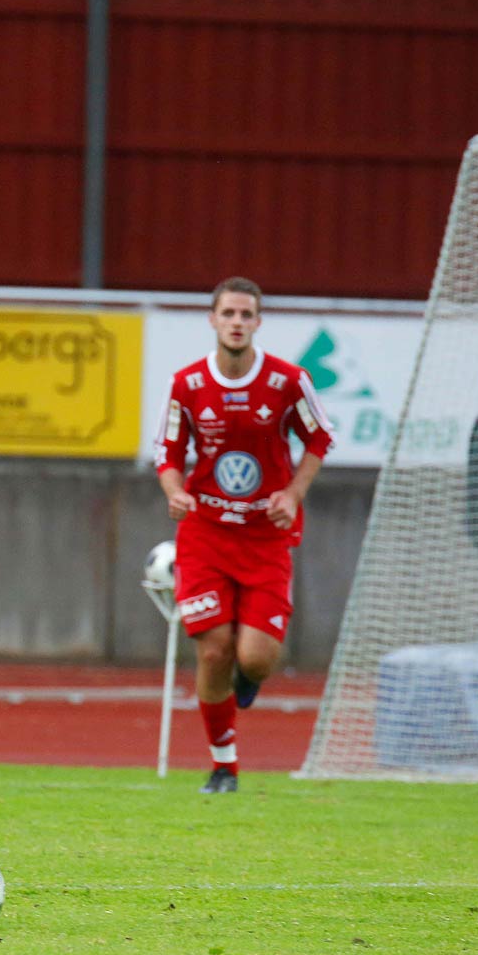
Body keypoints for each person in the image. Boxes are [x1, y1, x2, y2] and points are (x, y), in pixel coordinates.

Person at [153, 277, 334, 794]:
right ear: (213, 320)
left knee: (253, 656)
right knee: (214, 650)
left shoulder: (287, 381)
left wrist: (293, 494)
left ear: (258, 322)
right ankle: (224, 765)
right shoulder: (187, 384)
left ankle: (249, 678)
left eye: (245, 314)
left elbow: (319, 437)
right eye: (228, 313)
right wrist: (174, 490)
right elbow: (168, 453)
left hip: (265, 537)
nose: (236, 322)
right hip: (206, 534)